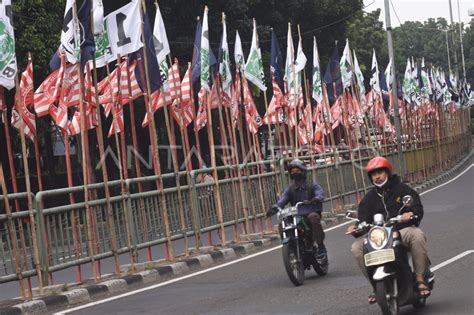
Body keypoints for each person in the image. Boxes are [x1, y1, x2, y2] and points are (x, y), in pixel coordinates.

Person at [346, 156, 431, 304]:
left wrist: (410, 214)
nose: (377, 177)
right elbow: (362, 219)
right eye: (374, 174)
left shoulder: (402, 189)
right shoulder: (369, 198)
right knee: (356, 248)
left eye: (380, 172)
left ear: (387, 172)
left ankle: (419, 278)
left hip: (401, 230)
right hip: (378, 236)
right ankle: (375, 285)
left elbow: (417, 207)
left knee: (417, 235)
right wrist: (356, 228)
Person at [266, 159, 327, 256]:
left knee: (313, 218)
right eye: (293, 171)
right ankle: (290, 247)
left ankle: (321, 246)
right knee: (283, 224)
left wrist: (316, 199)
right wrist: (274, 208)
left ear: (303, 171)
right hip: (297, 215)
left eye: (297, 171)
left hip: (311, 212)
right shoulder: (290, 189)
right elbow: (282, 200)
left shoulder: (312, 185)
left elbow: (320, 194)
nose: (295, 173)